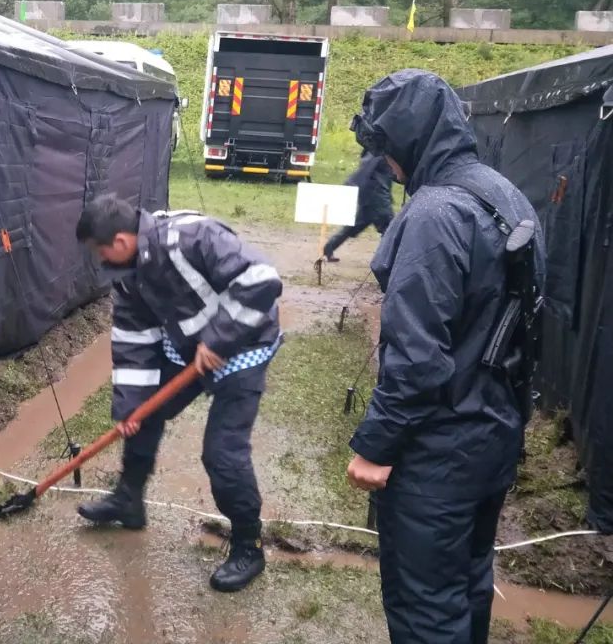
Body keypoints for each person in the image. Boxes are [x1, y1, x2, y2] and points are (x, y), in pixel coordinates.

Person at [345, 69, 543, 644]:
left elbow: (415, 358)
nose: (386, 166)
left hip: (438, 457)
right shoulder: (504, 194)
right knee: (468, 584)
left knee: (426, 609)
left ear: (410, 141)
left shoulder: (434, 215)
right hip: (495, 440)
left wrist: (375, 447)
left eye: (387, 150)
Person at [75, 194, 283, 593]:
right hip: (190, 347)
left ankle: (248, 545)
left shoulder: (193, 237)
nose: (98, 259)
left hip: (244, 344)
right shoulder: (128, 272)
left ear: (119, 242)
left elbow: (262, 279)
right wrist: (130, 407)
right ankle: (129, 500)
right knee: (142, 416)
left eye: (99, 250)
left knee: (222, 453)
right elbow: (133, 339)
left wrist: (220, 339)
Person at [323, 150, 394, 262]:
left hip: (371, 195)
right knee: (390, 229)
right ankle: (389, 259)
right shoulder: (379, 152)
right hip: (377, 196)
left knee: (353, 227)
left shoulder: (376, 151)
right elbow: (366, 170)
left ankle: (329, 246)